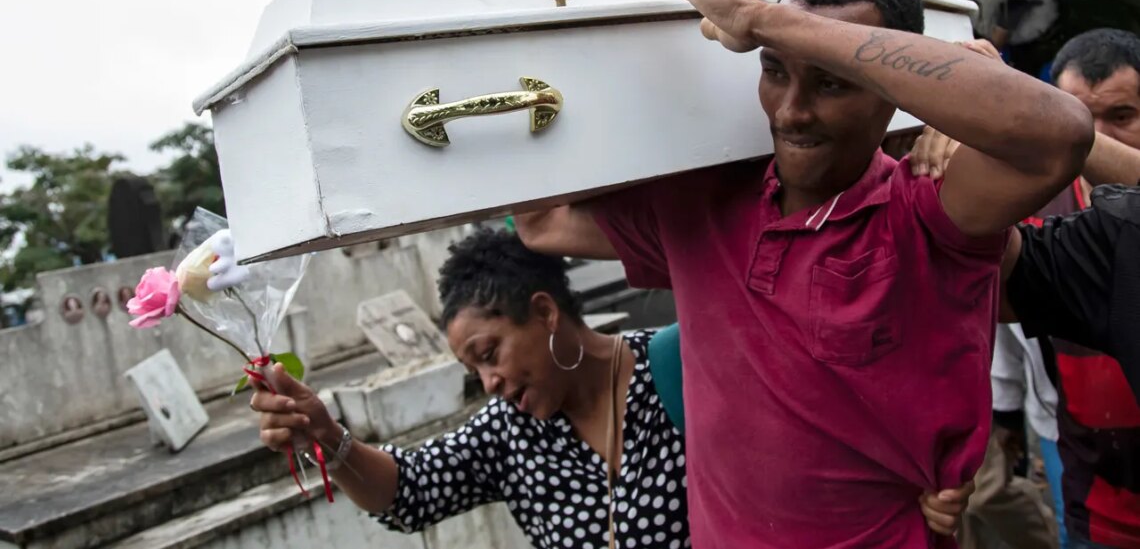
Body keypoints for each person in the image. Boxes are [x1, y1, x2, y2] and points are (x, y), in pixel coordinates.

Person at [515, 0, 1093, 548]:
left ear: (892, 92)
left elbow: (1057, 137)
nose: (791, 112)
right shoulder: (699, 208)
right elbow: (542, 222)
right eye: (772, 69)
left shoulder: (924, 210)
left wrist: (762, 19)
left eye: (833, 82)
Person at [235, 229, 973, 549]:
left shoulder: (688, 368)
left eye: (491, 354)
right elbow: (411, 491)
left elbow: (822, 434)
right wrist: (330, 439)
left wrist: (912, 488)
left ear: (545, 312)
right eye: (474, 371)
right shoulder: (510, 436)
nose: (489, 383)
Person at [911, 28, 1140, 549]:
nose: (1098, 133)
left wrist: (1042, 119)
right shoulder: (1032, 205)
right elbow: (987, 297)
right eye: (1079, 115)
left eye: (1121, 117)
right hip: (1088, 483)